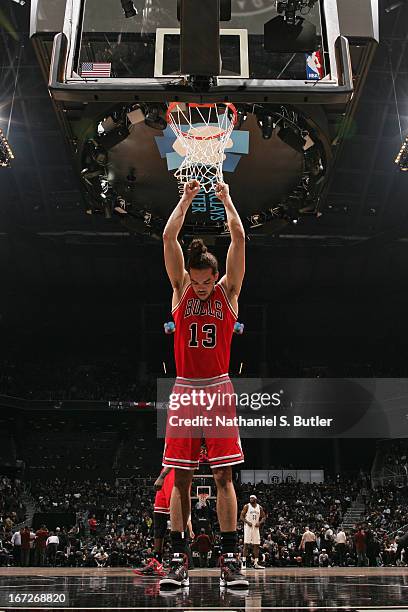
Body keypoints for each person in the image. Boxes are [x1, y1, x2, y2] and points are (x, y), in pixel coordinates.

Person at [160, 180, 247, 590]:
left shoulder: (228, 292)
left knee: (225, 478)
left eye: (205, 281)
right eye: (194, 280)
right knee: (180, 478)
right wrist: (187, 198)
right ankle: (178, 560)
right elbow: (167, 236)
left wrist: (227, 198)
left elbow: (240, 238)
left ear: (216, 275)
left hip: (217, 388)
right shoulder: (179, 290)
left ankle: (231, 561)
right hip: (184, 388)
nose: (199, 286)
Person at [240, 495, 266, 569]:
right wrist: (247, 522)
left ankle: (256, 563)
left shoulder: (259, 507)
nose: (251, 499)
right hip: (248, 527)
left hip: (256, 528)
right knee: (246, 544)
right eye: (250, 498)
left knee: (256, 545)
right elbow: (241, 517)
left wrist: (260, 522)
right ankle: (244, 563)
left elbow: (264, 517)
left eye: (252, 498)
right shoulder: (246, 506)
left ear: (255, 499)